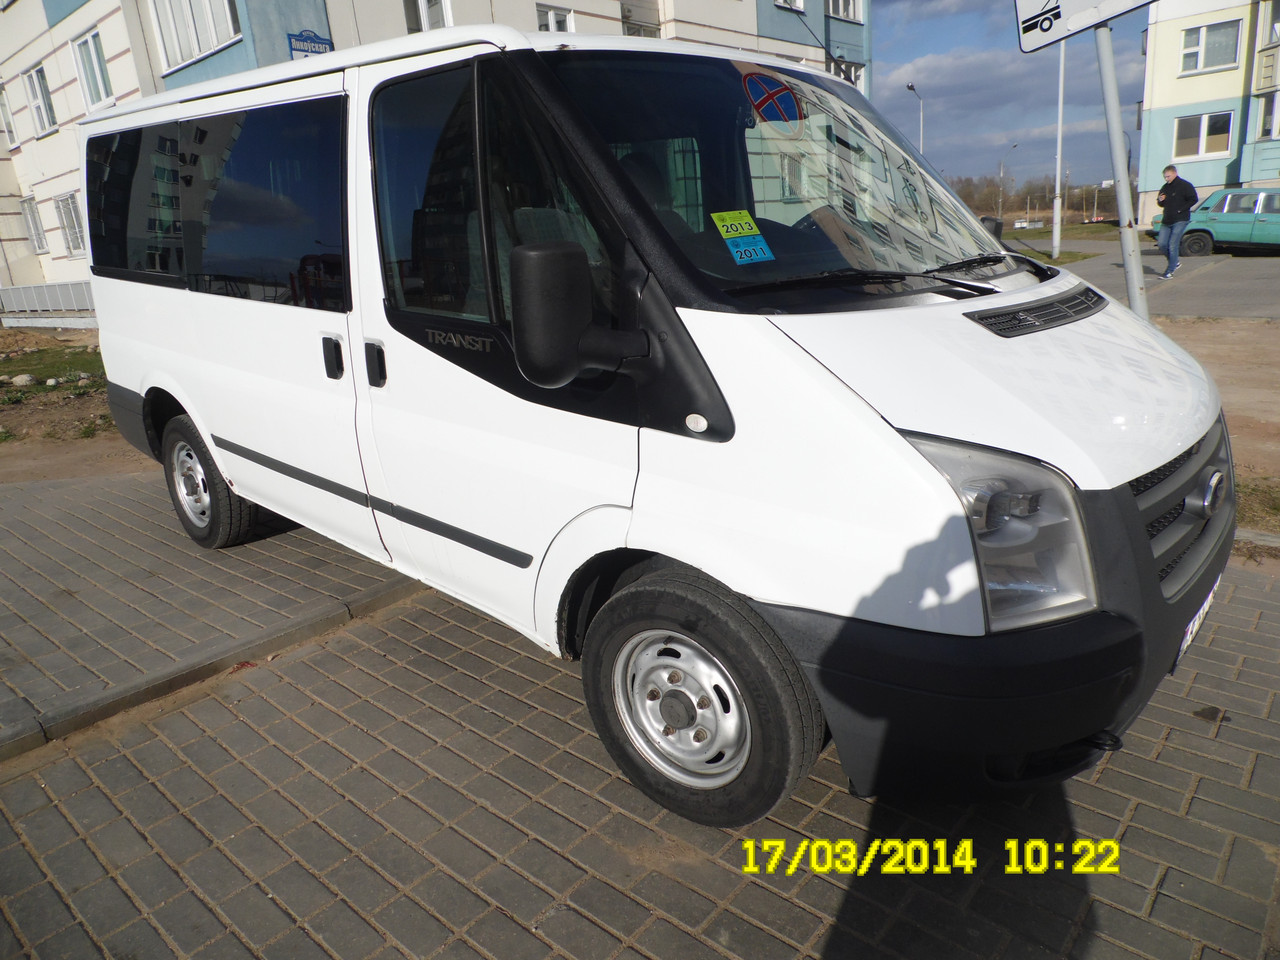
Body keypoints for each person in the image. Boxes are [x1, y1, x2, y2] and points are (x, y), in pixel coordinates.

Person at [1155, 164, 1198, 279]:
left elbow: (1193, 199)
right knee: (1162, 244)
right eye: (1165, 177)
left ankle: (1169, 271)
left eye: (1168, 176)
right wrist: (1160, 200)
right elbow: (1160, 203)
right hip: (1167, 220)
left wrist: (1181, 209)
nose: (1166, 179)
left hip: (1180, 219)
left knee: (1172, 244)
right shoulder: (1165, 187)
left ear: (1174, 173)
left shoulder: (1185, 185)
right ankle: (1175, 262)